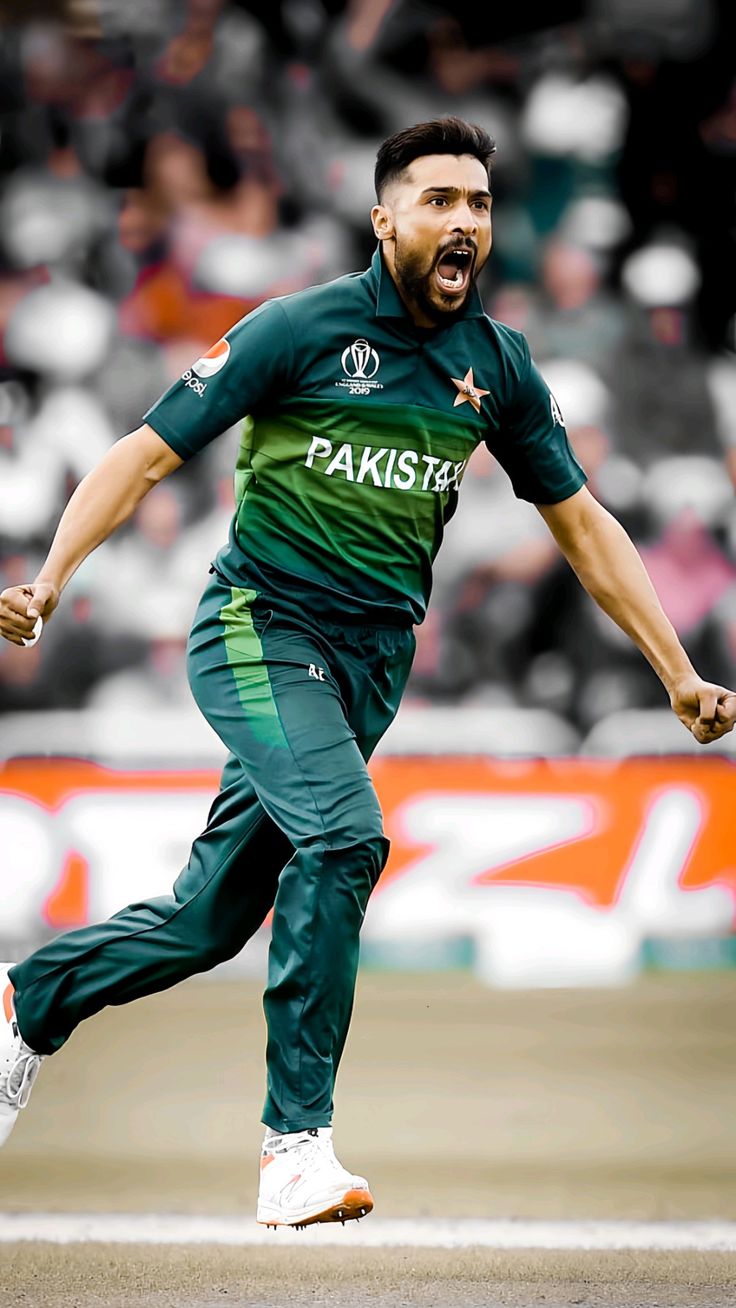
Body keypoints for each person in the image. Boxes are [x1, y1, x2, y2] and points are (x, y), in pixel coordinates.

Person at [1, 117, 734, 1230]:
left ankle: (27, 1001)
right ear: (384, 219)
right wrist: (52, 579)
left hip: (367, 671)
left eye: (479, 203)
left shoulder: (495, 365)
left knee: (208, 923)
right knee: (345, 839)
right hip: (257, 630)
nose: (465, 222)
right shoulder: (298, 329)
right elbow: (144, 454)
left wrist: (675, 672)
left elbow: (584, 526)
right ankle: (293, 1149)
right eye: (439, 200)